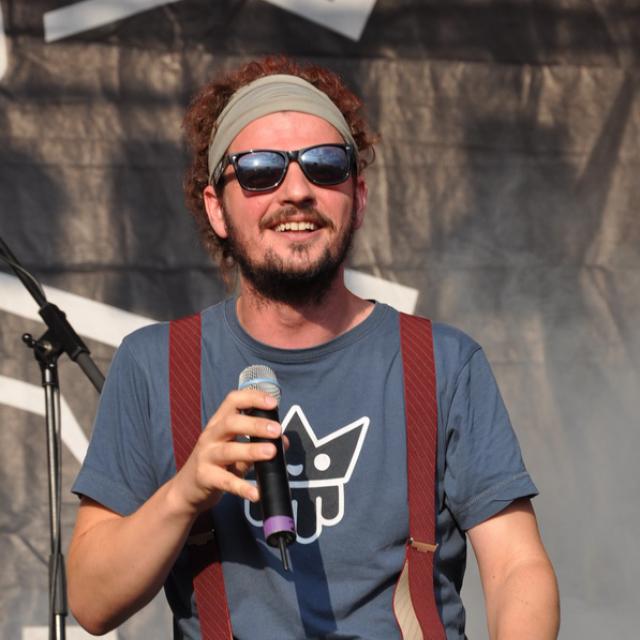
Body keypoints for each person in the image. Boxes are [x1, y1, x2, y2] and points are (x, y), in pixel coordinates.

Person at [67, 56, 560, 639]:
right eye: (260, 171)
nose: (297, 191)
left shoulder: (444, 363)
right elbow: (91, 601)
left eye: (325, 166)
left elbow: (516, 567)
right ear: (216, 207)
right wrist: (184, 494)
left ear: (359, 196)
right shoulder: (154, 365)